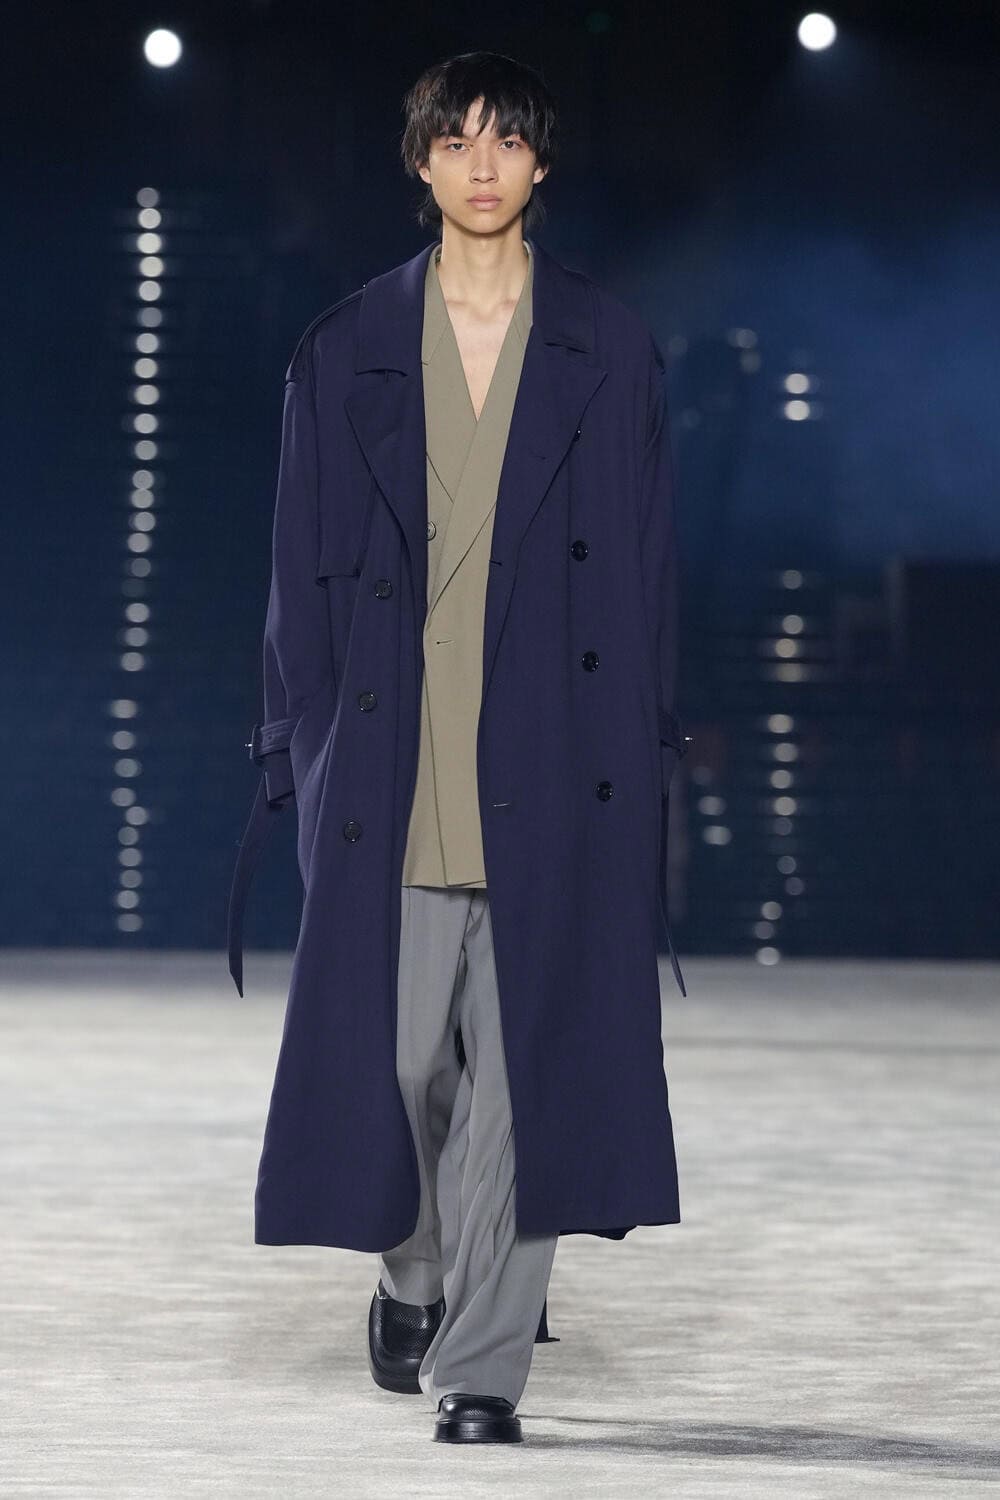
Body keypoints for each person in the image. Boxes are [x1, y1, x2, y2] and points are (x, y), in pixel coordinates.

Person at [228, 48, 689, 1448]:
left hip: (557, 756)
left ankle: (483, 1371)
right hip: (391, 765)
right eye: (455, 140)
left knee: (524, 1080)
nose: (481, 165)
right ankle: (413, 1273)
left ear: (541, 163)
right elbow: (296, 572)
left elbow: (648, 574)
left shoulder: (608, 347)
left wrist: (642, 760)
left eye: (506, 141)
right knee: (397, 1068)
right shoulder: (344, 346)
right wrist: (302, 747)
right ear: (420, 161)